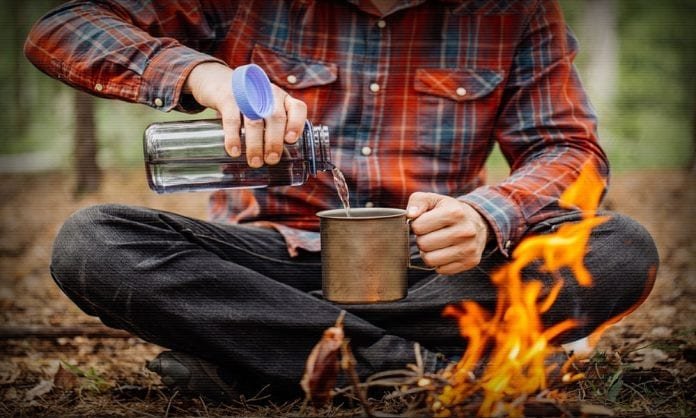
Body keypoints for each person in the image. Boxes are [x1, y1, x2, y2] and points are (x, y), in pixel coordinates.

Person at [26, 0, 658, 402]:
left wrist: (486, 213)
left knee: (622, 249)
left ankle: (258, 354)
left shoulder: (514, 13)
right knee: (93, 243)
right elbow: (62, 27)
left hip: (430, 271)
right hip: (269, 264)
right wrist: (204, 76)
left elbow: (567, 150)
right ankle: (409, 365)